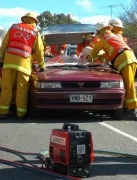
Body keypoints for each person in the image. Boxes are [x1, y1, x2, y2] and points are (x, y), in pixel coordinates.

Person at [0, 12, 45, 119]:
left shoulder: (14, 27)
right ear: (34, 22)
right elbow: (39, 50)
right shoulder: (35, 32)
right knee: (22, 90)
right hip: (24, 65)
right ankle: (20, 113)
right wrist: (42, 65)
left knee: (6, 88)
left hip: (9, 63)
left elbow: (4, 44)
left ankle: (3, 112)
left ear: (24, 19)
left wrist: (1, 60)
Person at [89, 21, 137, 120]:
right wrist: (101, 56)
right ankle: (127, 109)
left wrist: (89, 58)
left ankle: (132, 111)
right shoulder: (114, 36)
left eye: (97, 32)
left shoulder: (103, 39)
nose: (97, 35)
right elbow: (112, 52)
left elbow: (93, 54)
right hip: (130, 58)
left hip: (124, 60)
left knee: (129, 86)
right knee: (128, 85)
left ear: (100, 31)